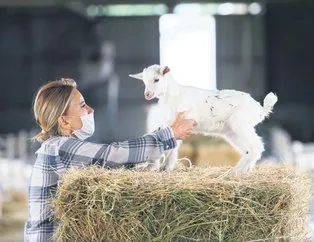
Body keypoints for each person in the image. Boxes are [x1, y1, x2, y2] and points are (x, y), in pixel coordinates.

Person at [24, 78, 196, 242]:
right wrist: (168, 134)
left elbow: (106, 170)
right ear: (64, 121)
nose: (91, 110)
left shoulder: (57, 147)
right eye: (83, 106)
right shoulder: (58, 148)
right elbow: (113, 155)